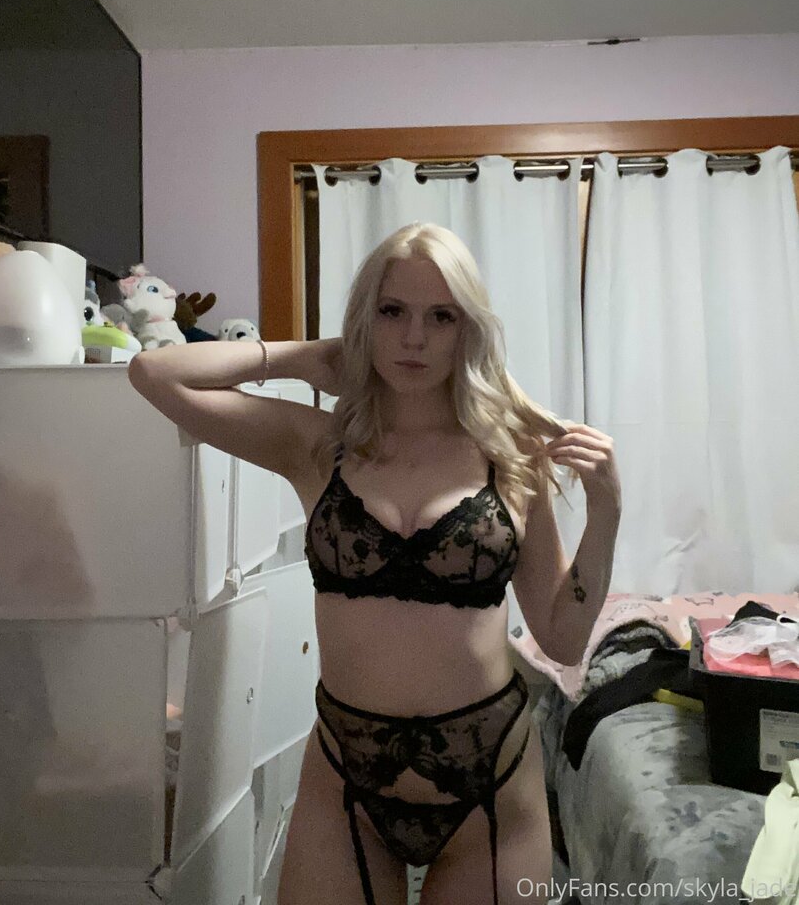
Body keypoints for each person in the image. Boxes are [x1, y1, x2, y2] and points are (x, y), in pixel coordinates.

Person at [128, 223, 622, 905]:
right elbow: (153, 374)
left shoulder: (512, 457)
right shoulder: (316, 445)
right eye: (392, 312)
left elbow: (563, 639)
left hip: (490, 782)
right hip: (345, 779)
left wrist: (607, 511)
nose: (414, 338)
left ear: (467, 329)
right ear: (365, 319)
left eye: (441, 316)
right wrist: (308, 358)